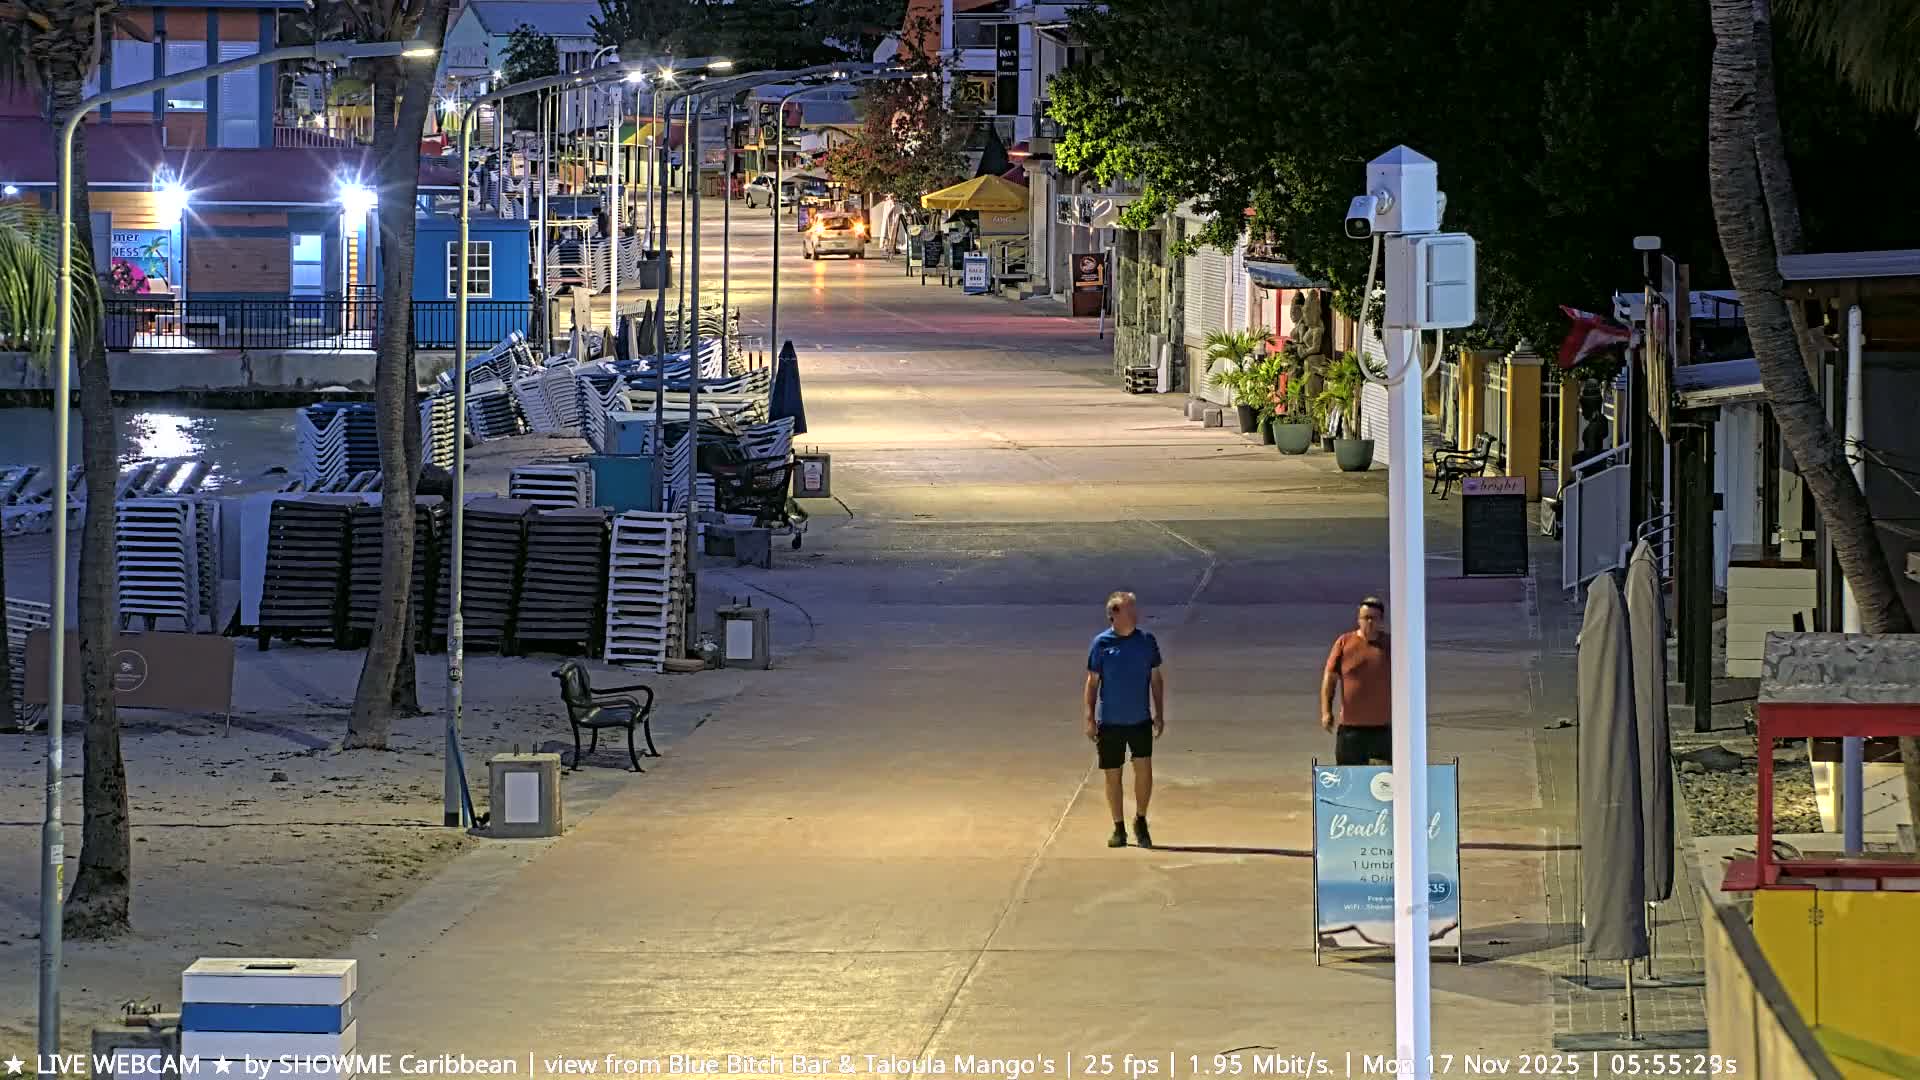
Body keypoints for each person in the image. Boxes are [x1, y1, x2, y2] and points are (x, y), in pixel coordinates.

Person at [1084, 591, 1165, 847]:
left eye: (1134, 609)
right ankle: (1118, 827)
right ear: (1114, 615)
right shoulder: (1101, 644)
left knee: (1144, 771)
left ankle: (1140, 820)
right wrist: (1089, 716)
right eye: (1129, 610)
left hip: (1140, 719)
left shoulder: (1146, 641)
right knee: (1112, 775)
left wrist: (1159, 712)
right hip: (1110, 721)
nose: (1135, 614)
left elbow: (1155, 678)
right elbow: (1092, 683)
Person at [1321, 596, 1391, 765]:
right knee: (1349, 781)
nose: (1369, 622)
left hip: (1382, 730)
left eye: (1373, 618)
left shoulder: (1391, 644)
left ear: (1381, 620)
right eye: (1364, 618)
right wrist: (1326, 711)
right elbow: (1330, 679)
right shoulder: (1344, 643)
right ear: (1358, 619)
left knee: (1382, 784)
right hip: (1351, 730)